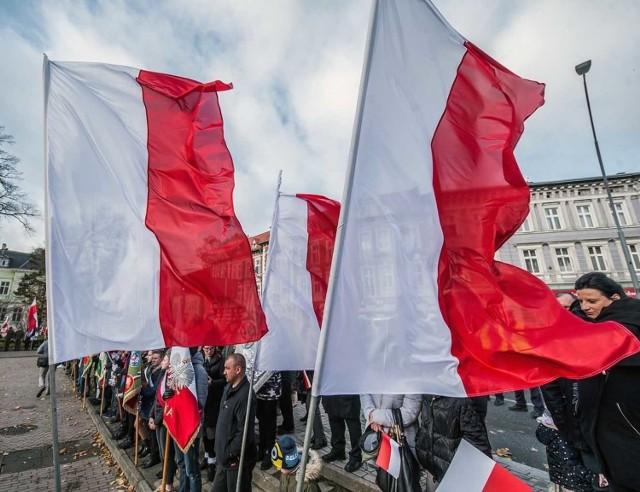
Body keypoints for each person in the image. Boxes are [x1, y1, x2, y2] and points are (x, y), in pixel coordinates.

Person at [574, 272, 640, 491]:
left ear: (614, 298)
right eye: (581, 300)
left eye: (592, 301)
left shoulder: (629, 326)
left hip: (629, 431)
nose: (584, 307)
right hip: (603, 432)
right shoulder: (587, 327)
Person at [415, 395, 492, 485]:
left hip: (454, 472)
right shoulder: (428, 395)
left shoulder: (462, 401)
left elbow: (477, 443)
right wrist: (420, 442)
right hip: (433, 467)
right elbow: (425, 424)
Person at [211, 353, 257, 492]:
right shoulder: (228, 388)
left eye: (227, 368)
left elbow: (245, 433)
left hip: (235, 463)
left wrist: (229, 454)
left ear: (238, 370)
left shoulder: (245, 396)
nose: (224, 372)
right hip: (223, 460)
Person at [173, 346, 208, 492]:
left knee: (191, 469)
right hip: (178, 423)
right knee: (181, 463)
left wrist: (184, 403)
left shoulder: (199, 371)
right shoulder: (180, 367)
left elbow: (201, 401)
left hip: (191, 426)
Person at [202, 346, 225, 481]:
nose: (208, 351)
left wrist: (213, 383)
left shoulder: (220, 359)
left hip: (214, 400)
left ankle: (212, 459)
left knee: (211, 430)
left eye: (210, 349)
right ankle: (206, 455)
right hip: (203, 399)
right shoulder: (201, 358)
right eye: (205, 349)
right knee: (204, 429)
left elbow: (224, 379)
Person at [321, 395, 362, 473]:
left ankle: (357, 456)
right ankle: (338, 450)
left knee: (352, 422)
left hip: (348, 390)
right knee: (334, 418)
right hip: (331, 391)